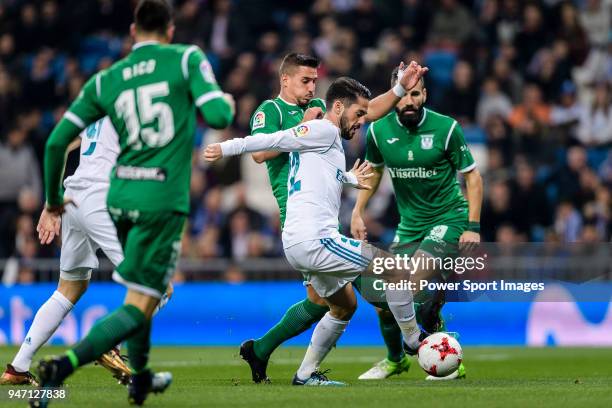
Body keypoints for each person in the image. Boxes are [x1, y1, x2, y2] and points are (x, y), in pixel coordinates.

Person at [30, 1, 234, 406]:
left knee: (141, 292)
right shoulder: (186, 59)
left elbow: (55, 143)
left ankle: (139, 378)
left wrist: (52, 202)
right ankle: (65, 365)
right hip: (160, 198)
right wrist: (221, 98)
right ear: (171, 30)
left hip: (118, 196)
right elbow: (217, 114)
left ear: (132, 31)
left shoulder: (108, 79)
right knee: (149, 295)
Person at [205, 69, 435, 387]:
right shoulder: (320, 130)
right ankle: (413, 341)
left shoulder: (326, 139)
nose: (361, 122)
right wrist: (226, 147)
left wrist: (350, 178)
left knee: (343, 306)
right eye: (358, 114)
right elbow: (272, 141)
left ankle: (303, 375)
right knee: (394, 269)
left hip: (302, 241)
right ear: (338, 107)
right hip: (315, 239)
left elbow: (320, 174)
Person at [0, 118, 171, 387]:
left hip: (73, 197)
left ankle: (18, 367)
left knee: (70, 288)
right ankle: (110, 343)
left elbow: (60, 142)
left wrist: (51, 202)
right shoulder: (137, 103)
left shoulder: (98, 105)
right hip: (104, 198)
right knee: (159, 286)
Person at [351, 69, 483, 380]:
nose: (410, 101)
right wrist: (358, 209)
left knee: (410, 286)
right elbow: (373, 172)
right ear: (394, 93)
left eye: (416, 94)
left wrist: (472, 226)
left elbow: (473, 177)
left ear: (424, 95)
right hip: (409, 225)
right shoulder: (378, 131)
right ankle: (396, 359)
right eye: (404, 94)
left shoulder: (446, 128)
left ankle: (448, 358)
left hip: (448, 219)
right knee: (384, 300)